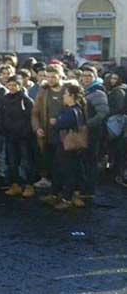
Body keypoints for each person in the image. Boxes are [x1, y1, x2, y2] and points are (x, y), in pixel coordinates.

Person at [46, 84, 88, 210]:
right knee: (60, 169)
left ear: (72, 96)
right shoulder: (75, 109)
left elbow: (59, 125)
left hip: (67, 146)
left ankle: (67, 199)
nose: (63, 96)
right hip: (67, 145)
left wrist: (55, 122)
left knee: (67, 171)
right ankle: (57, 194)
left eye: (65, 94)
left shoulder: (72, 111)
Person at [31, 65, 68, 192]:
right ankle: (54, 192)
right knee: (49, 162)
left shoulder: (68, 90)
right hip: (47, 133)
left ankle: (65, 193)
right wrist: (37, 128)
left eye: (53, 77)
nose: (50, 79)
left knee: (63, 165)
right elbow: (35, 113)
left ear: (60, 76)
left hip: (65, 134)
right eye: (48, 77)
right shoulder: (43, 91)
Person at [0, 75, 35, 198]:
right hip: (9, 136)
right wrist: (2, 130)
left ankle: (29, 185)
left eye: (15, 85)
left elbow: (32, 118)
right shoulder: (3, 99)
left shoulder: (26, 100)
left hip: (24, 137)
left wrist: (26, 132)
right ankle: (15, 185)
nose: (12, 87)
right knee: (12, 162)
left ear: (20, 86)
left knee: (27, 162)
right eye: (10, 85)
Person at [78, 65, 108, 201]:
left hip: (93, 133)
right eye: (84, 76)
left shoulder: (98, 92)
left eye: (89, 76)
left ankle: (89, 190)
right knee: (83, 161)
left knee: (90, 161)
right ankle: (83, 188)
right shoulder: (83, 91)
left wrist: (86, 125)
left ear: (95, 77)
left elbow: (102, 113)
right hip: (83, 132)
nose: (86, 78)